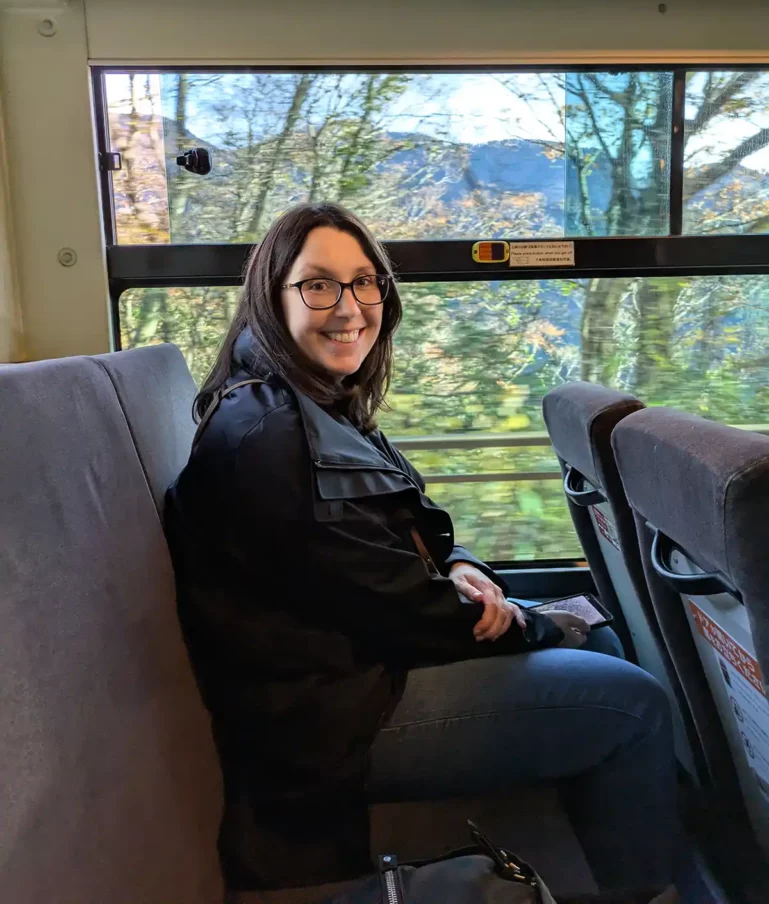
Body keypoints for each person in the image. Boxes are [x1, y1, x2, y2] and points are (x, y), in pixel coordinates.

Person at [165, 203, 679, 903]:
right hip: (325, 722)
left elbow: (404, 531)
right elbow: (401, 610)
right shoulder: (266, 439)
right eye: (318, 285)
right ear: (270, 296)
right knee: (635, 704)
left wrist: (466, 566)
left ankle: (588, 873)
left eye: (364, 282)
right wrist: (535, 624)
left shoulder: (317, 405)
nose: (349, 308)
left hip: (358, 665)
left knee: (605, 645)